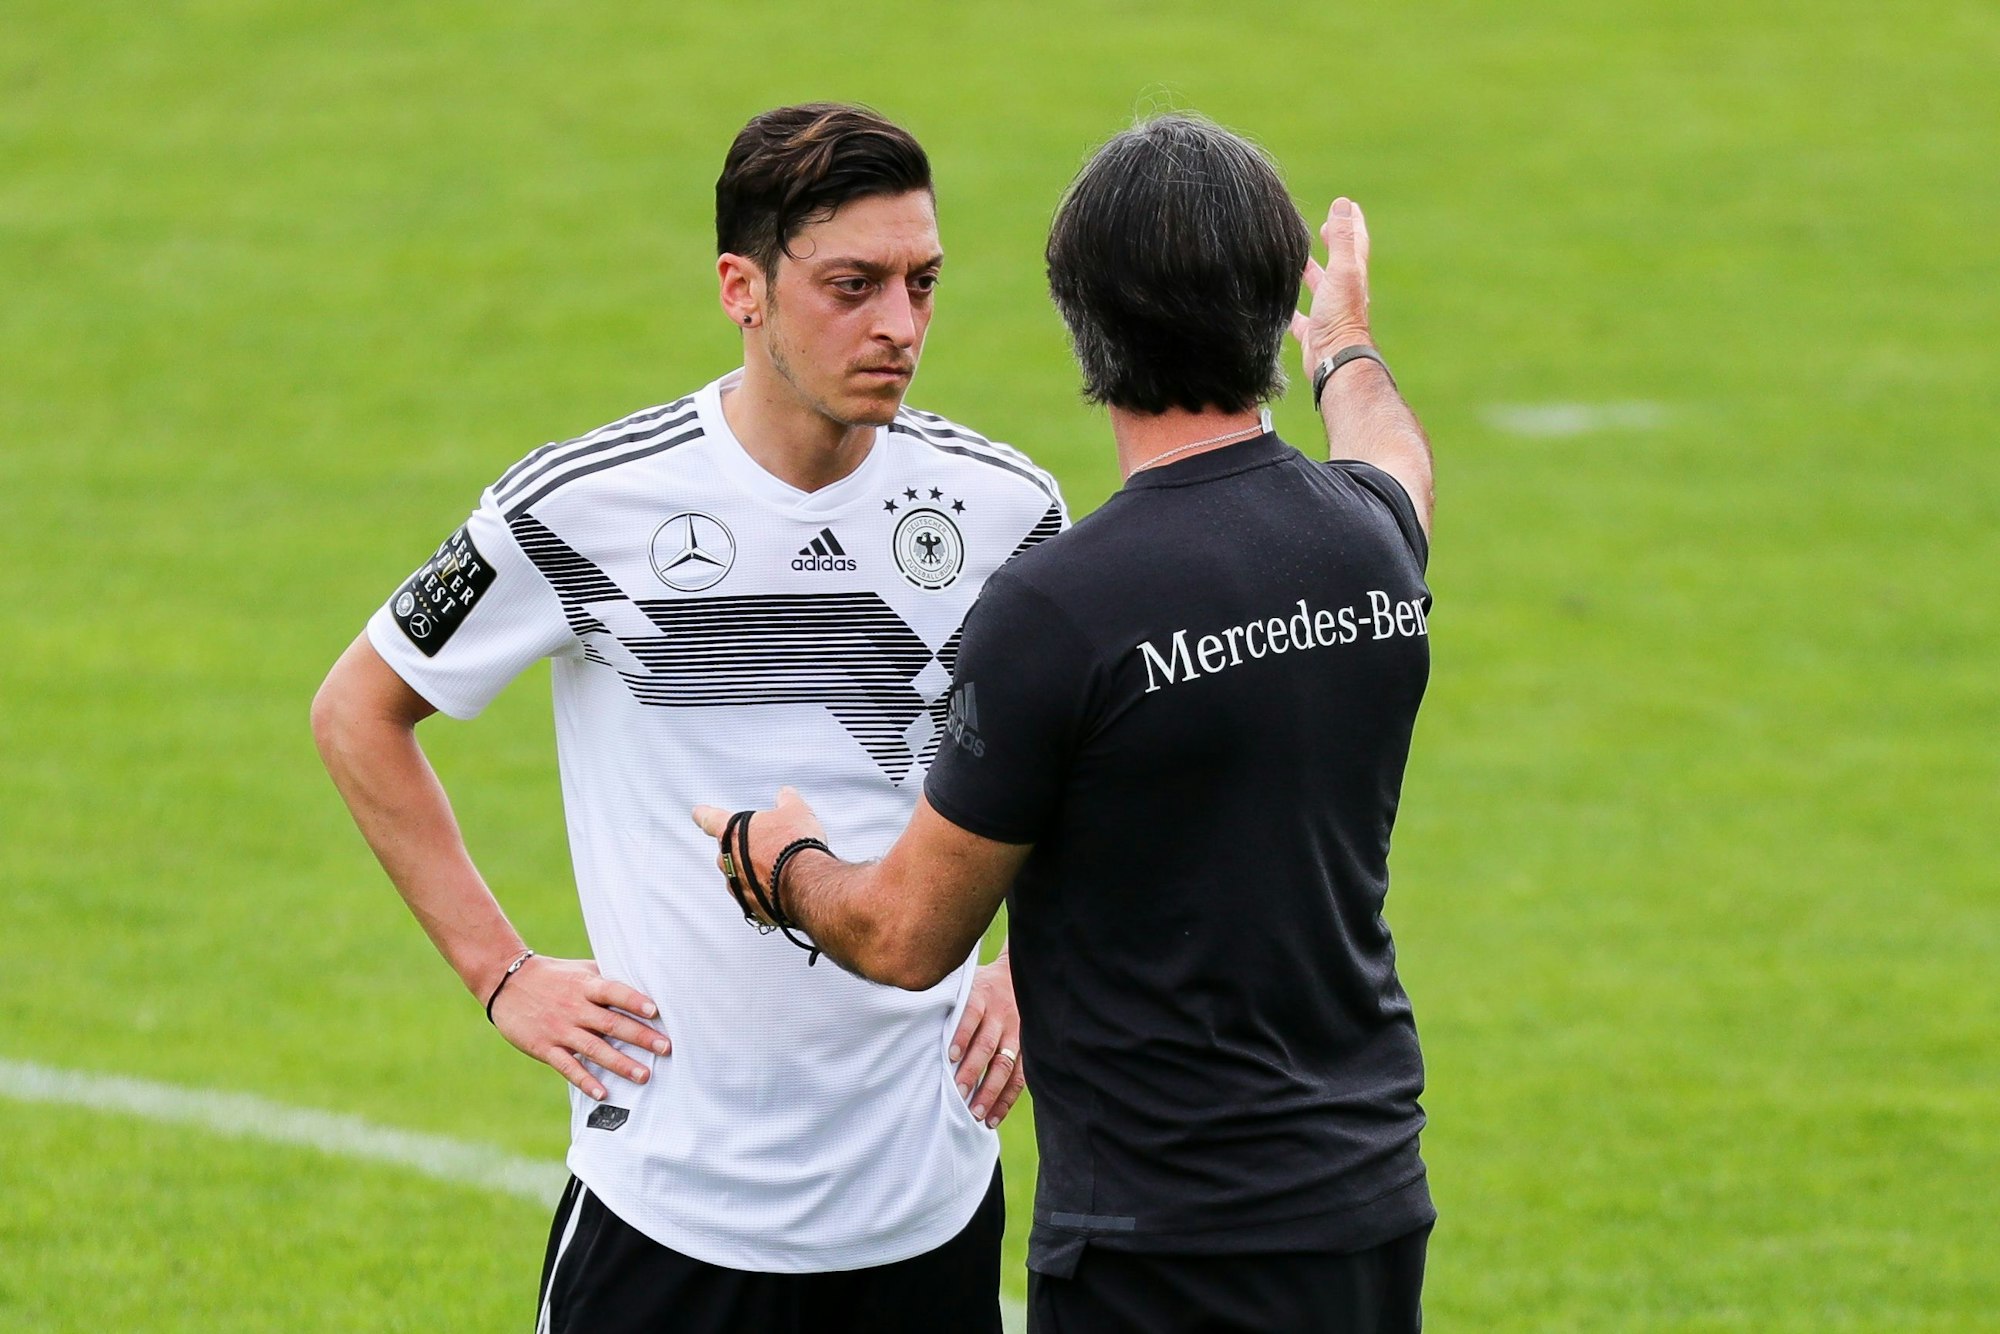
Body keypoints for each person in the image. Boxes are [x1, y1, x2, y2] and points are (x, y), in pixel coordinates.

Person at [311, 103, 1065, 1334]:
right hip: (665, 1214)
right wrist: (499, 972)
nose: (899, 325)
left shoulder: (1004, 512)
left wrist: (1029, 967)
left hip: (924, 1206)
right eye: (851, 284)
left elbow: (1090, 768)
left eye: (923, 282)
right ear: (741, 287)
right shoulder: (585, 505)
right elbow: (359, 709)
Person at [695, 114, 1438, 1333]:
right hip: (1366, 1200)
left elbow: (902, 934)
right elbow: (1394, 456)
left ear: (1080, 320)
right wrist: (1344, 342)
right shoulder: (1365, 541)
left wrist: (779, 861)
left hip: (1165, 1246)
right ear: (1265, 311)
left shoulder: (1060, 608)